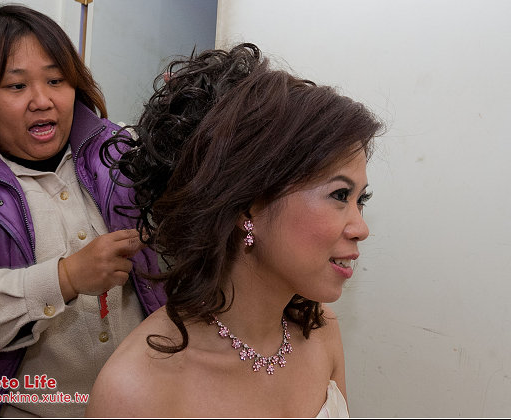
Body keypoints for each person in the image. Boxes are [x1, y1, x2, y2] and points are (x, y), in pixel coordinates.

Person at [86, 43, 385, 417]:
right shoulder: (136, 388)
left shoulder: (322, 330)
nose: (361, 228)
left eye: (361, 199)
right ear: (248, 206)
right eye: (340, 195)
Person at [0, 3, 166, 417]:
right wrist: (65, 278)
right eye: (16, 86)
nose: (42, 101)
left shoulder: (121, 154)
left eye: (56, 80)